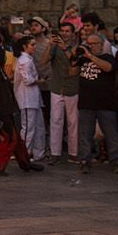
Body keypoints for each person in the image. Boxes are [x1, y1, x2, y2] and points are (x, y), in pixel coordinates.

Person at [0, 37, 41, 176]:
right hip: (0, 113)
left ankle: (25, 163)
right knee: (10, 139)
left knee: (17, 140)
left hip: (7, 110)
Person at [74, 27, 118, 174]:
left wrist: (90, 56)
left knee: (111, 134)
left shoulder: (108, 57)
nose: (90, 46)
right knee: (84, 134)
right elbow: (71, 72)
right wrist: (73, 57)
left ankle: (116, 160)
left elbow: (108, 68)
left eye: (93, 43)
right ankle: (85, 161)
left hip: (105, 103)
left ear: (101, 45)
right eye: (88, 43)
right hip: (86, 103)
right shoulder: (83, 59)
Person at [47, 22, 81, 165]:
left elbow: (74, 63)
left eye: (67, 31)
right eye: (62, 31)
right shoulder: (54, 47)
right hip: (57, 86)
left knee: (73, 121)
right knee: (55, 120)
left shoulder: (78, 48)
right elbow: (43, 62)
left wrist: (64, 48)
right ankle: (55, 152)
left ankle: (74, 153)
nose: (65, 33)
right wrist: (50, 46)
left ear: (73, 34)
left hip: (72, 87)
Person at [13, 34, 46, 164]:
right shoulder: (24, 61)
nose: (35, 47)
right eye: (32, 45)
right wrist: (39, 81)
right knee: (28, 128)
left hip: (33, 98)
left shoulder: (27, 59)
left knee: (38, 126)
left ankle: (37, 153)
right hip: (27, 98)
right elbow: (28, 80)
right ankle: (25, 154)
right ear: (24, 46)